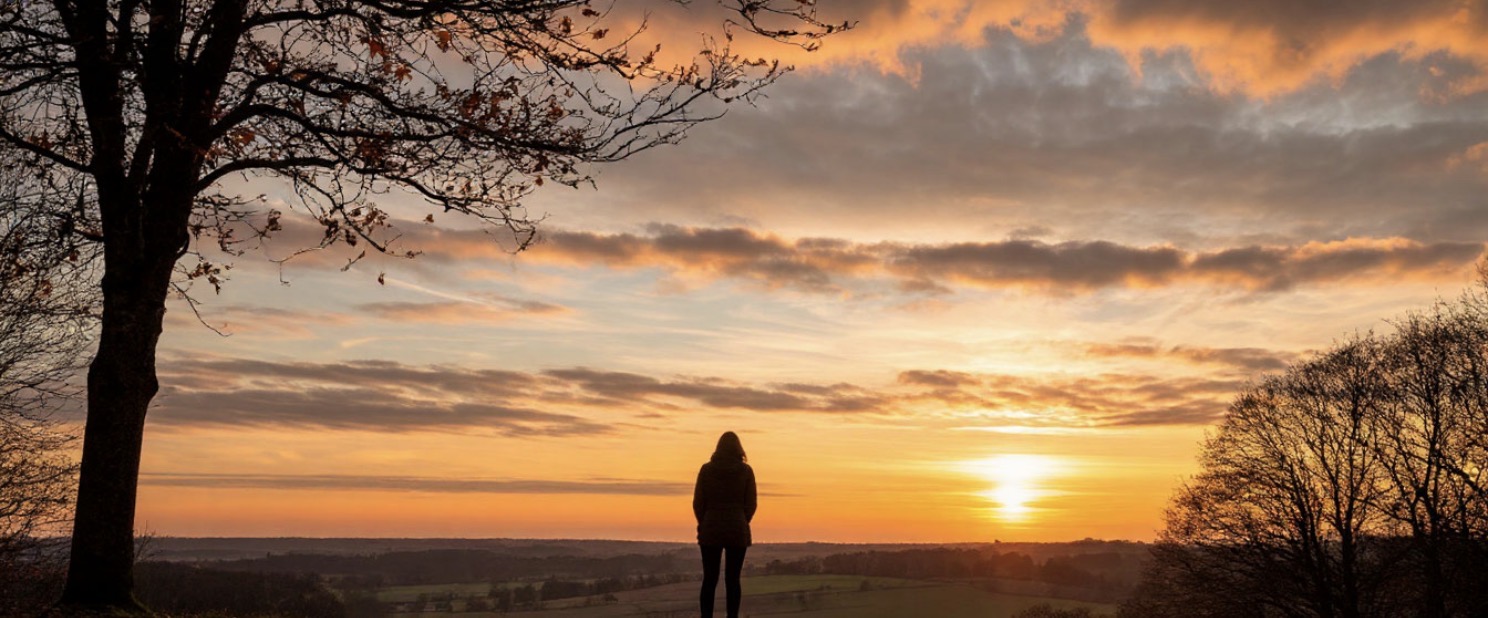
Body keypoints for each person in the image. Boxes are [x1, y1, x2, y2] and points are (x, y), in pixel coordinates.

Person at [693, 431, 757, 618]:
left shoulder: (706, 470)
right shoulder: (746, 471)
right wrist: (742, 520)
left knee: (709, 579)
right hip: (737, 528)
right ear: (739, 448)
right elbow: (751, 503)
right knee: (733, 579)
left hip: (711, 527)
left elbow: (698, 502)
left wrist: (703, 522)